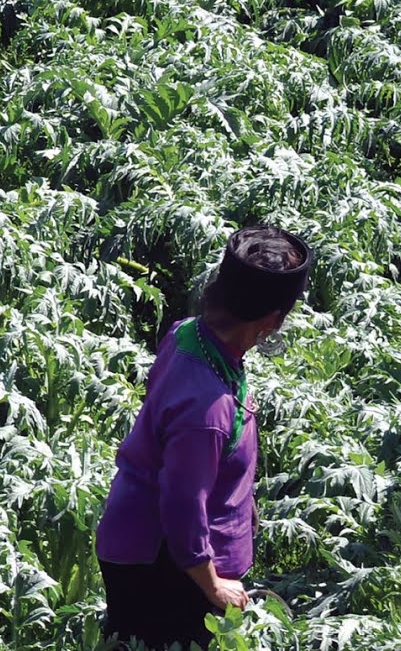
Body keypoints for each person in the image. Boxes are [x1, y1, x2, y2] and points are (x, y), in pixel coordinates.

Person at [96, 226, 314, 649]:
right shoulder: (207, 411)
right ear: (272, 320)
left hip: (144, 538)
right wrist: (213, 586)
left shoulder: (188, 334)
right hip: (165, 567)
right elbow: (181, 506)